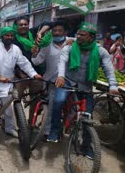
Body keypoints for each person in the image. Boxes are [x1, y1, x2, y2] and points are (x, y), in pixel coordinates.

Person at [50, 22, 119, 154]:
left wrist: (113, 85)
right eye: (78, 34)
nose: (79, 36)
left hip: (86, 85)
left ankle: (87, 146)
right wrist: (61, 76)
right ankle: (55, 129)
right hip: (68, 82)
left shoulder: (100, 51)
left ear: (91, 37)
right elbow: (62, 61)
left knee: (88, 118)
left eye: (83, 34)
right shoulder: (70, 47)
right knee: (58, 101)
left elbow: (109, 69)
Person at [0, 26, 41, 139]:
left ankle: (10, 128)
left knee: (9, 109)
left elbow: (24, 63)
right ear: (2, 36)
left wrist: (33, 74)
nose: (9, 37)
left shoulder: (16, 48)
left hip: (8, 83)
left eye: (11, 35)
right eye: (7, 35)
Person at [31, 20, 72, 136]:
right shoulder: (46, 45)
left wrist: (75, 42)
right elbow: (37, 61)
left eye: (60, 30)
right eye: (55, 31)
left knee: (73, 107)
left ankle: (68, 128)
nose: (57, 33)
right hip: (51, 82)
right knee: (52, 107)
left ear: (65, 32)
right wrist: (34, 53)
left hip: (69, 81)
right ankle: (47, 131)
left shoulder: (72, 42)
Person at [12, 16, 52, 122]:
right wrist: (20, 73)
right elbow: (12, 58)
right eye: (21, 24)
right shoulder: (13, 38)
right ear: (17, 26)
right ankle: (19, 123)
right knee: (16, 99)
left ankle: (31, 122)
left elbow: (49, 22)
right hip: (20, 75)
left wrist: (40, 33)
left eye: (25, 24)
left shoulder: (34, 33)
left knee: (35, 99)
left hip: (36, 73)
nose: (23, 26)